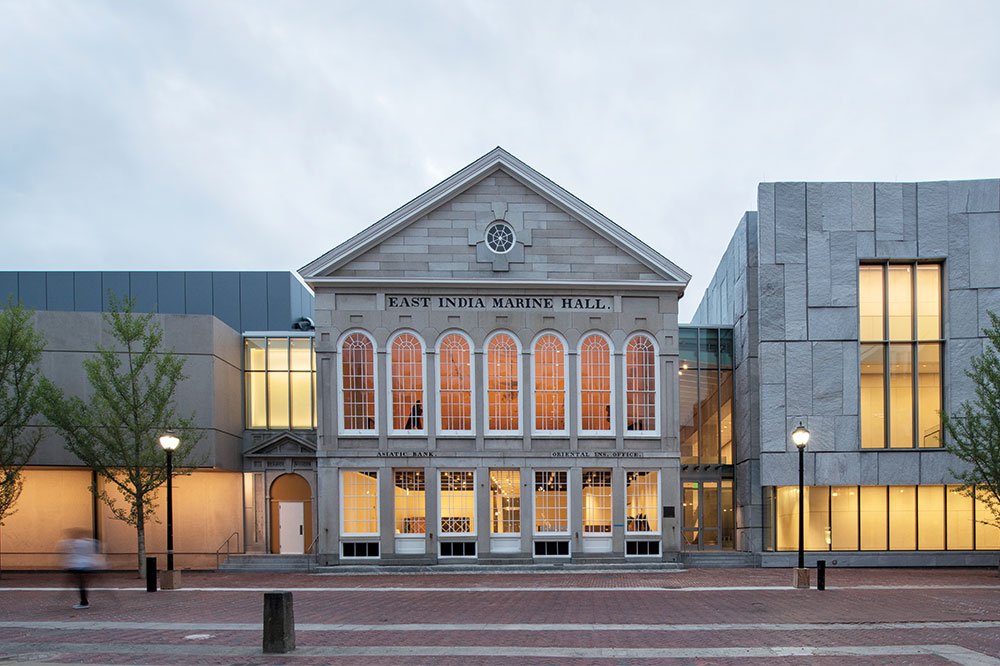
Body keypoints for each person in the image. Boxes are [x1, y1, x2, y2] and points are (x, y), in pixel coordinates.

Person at [60, 529, 101, 610]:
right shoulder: (89, 542)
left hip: (78, 565)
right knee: (82, 583)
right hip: (87, 565)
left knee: (80, 583)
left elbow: (72, 554)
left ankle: (84, 602)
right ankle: (84, 601)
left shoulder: (75, 542)